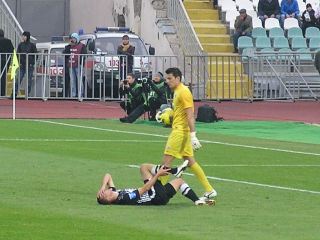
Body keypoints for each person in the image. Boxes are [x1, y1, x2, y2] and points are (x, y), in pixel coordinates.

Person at [156, 67, 217, 201]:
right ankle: (209, 190)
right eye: (166, 79)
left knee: (166, 162)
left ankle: (158, 192)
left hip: (179, 132)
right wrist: (166, 114)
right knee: (190, 161)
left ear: (178, 78)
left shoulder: (184, 92)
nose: (167, 81)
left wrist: (193, 134)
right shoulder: (177, 91)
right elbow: (179, 112)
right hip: (180, 130)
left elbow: (190, 115)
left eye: (170, 78)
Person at [97, 163, 214, 206]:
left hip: (159, 197)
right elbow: (145, 188)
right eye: (105, 194)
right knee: (144, 167)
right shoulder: (125, 198)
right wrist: (157, 175)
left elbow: (108, 175)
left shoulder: (115, 193)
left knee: (179, 182)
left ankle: (197, 201)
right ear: (109, 200)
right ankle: (174, 171)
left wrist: (102, 186)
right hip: (155, 196)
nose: (106, 191)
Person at [63, 32, 87, 98]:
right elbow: (64, 53)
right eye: (72, 38)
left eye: (74, 38)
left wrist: (81, 62)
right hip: (71, 65)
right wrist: (69, 45)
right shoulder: (69, 46)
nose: (72, 40)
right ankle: (73, 95)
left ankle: (80, 94)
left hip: (78, 65)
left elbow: (84, 54)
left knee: (79, 80)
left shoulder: (82, 46)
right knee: (72, 80)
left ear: (77, 39)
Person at [14, 31, 37, 97]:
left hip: (29, 65)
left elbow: (36, 55)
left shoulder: (32, 45)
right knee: (18, 79)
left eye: (24, 36)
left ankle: (28, 94)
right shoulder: (20, 45)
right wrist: (19, 62)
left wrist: (32, 62)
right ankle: (14, 93)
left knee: (29, 80)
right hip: (22, 64)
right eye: (22, 36)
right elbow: (18, 53)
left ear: (27, 37)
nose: (23, 37)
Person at [0, 29, 14, 97]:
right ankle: (2, 93)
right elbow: (12, 50)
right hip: (6, 60)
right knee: (3, 77)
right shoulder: (8, 41)